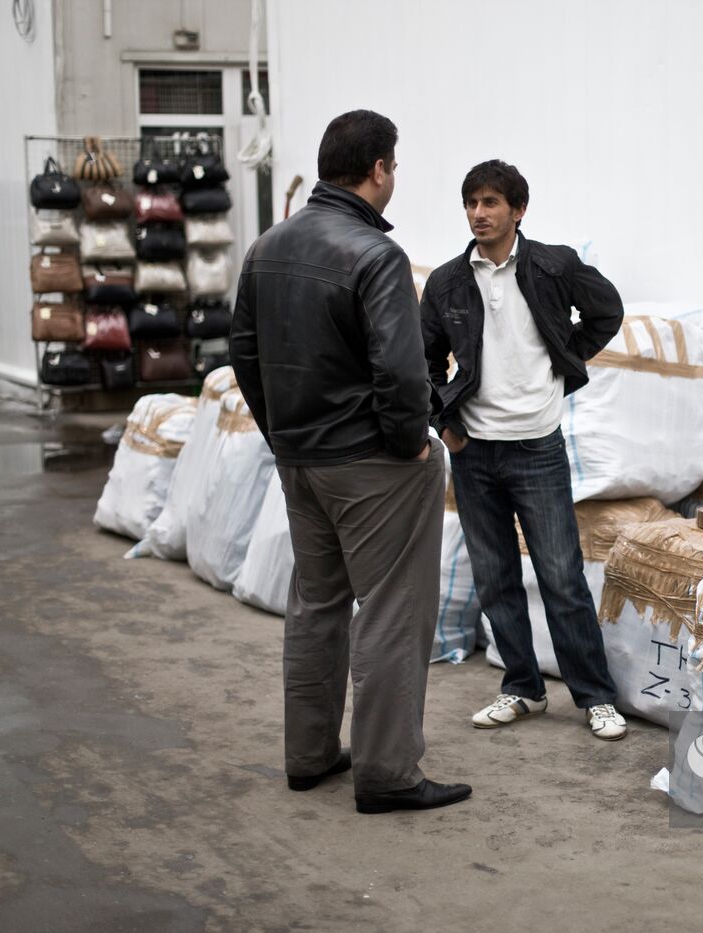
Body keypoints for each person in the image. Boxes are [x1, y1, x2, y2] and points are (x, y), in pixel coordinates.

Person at [231, 109, 472, 814]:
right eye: (392, 166)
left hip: (301, 458)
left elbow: (244, 355)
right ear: (379, 169)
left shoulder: (267, 247)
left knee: (316, 603)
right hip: (371, 463)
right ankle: (388, 772)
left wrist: (283, 437)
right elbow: (402, 376)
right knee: (394, 611)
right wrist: (410, 445)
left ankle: (308, 755)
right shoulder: (375, 255)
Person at [420, 159, 629, 741]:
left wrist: (565, 364)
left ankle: (594, 697)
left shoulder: (554, 265)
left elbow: (606, 311)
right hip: (474, 452)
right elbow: (425, 360)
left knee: (562, 577)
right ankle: (522, 688)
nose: (479, 214)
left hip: (537, 448)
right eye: (471, 203)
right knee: (495, 579)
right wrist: (446, 425)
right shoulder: (447, 283)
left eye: (490, 203)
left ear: (518, 210)